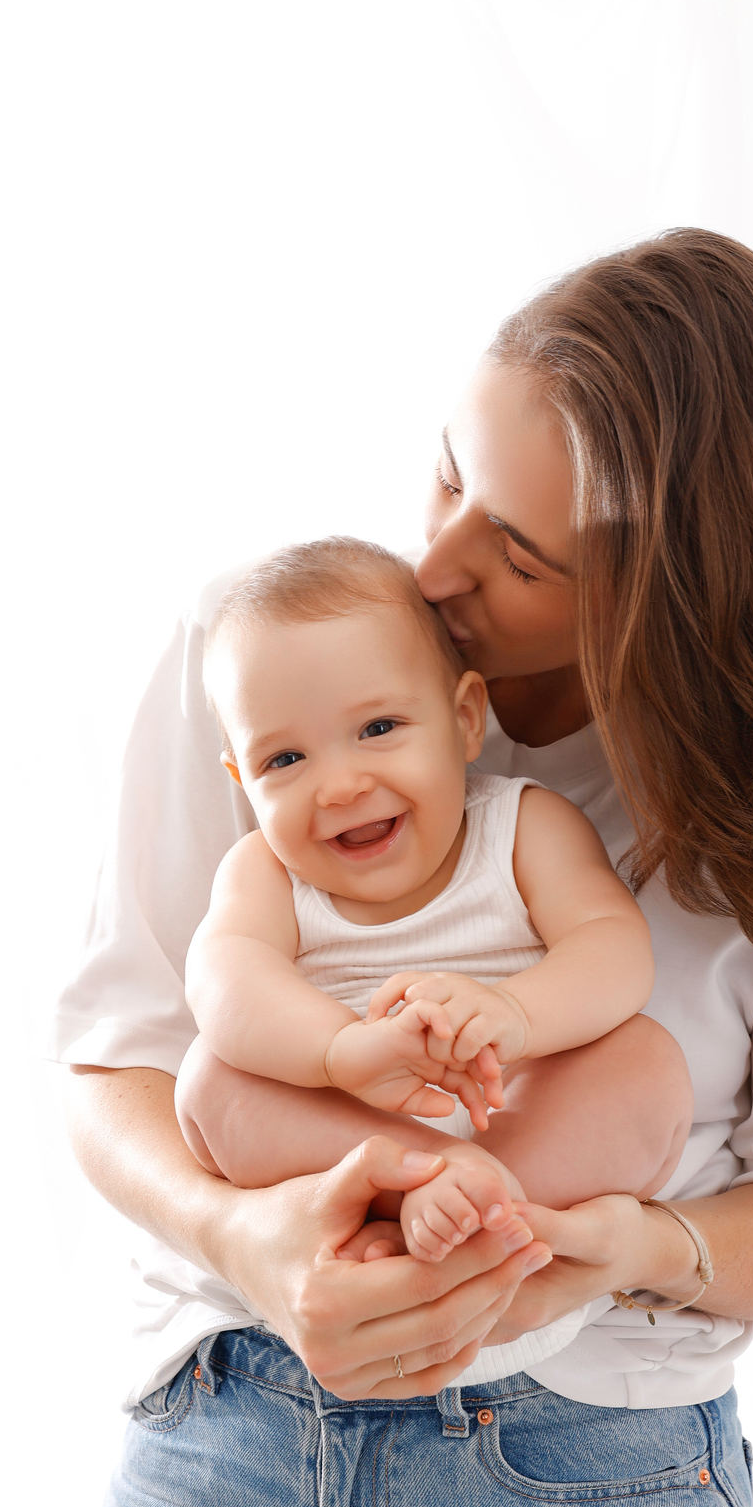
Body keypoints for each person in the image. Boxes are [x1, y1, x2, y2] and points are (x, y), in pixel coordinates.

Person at [55, 229, 753, 1507]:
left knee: (631, 1071)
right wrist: (247, 1241)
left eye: (521, 553)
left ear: (670, 590)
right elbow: (121, 1059)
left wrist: (625, 1244)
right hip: (229, 1453)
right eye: (450, 471)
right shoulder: (271, 663)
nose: (434, 566)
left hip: (580, 1492)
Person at [174, 537, 692, 1296]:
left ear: (465, 718)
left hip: (515, 1108)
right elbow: (224, 981)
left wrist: (515, 1013)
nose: (340, 785)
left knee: (643, 1062)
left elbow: (612, 947)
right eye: (284, 761)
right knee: (210, 1080)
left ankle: (484, 1208)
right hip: (347, 1135)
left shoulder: (522, 826)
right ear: (241, 780)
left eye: (378, 728)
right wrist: (338, 1051)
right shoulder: (265, 872)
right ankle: (428, 1187)